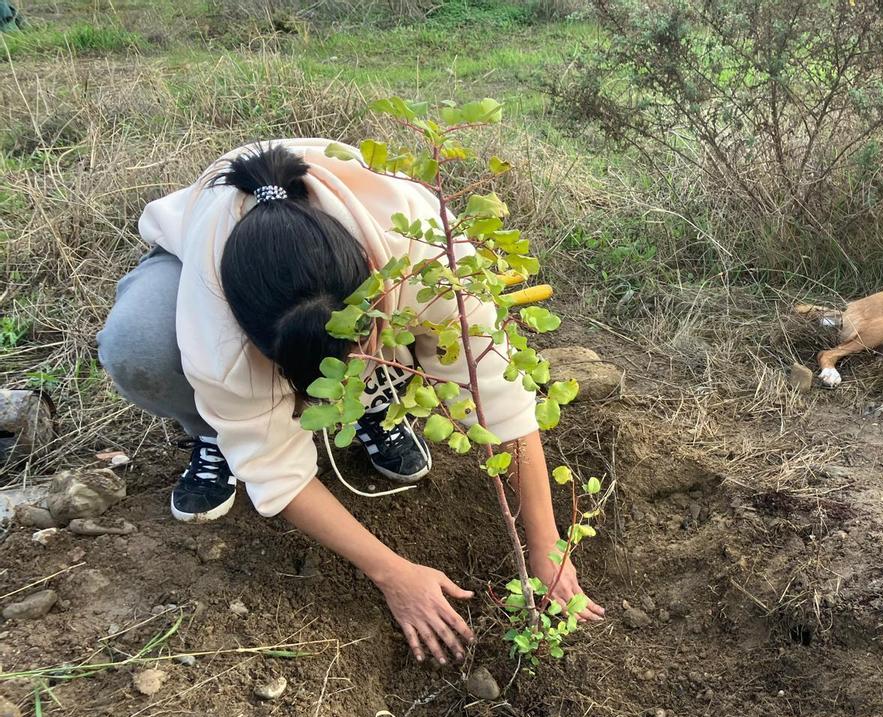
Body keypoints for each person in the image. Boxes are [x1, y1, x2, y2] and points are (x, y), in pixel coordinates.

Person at [97, 140, 604, 664]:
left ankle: (376, 402)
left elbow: (501, 400)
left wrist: (546, 546)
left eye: (354, 362)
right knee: (140, 347)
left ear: (376, 285)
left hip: (385, 261)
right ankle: (216, 436)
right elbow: (277, 470)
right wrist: (393, 573)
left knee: (418, 347)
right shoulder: (216, 333)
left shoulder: (429, 259)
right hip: (191, 257)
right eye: (323, 383)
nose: (345, 375)